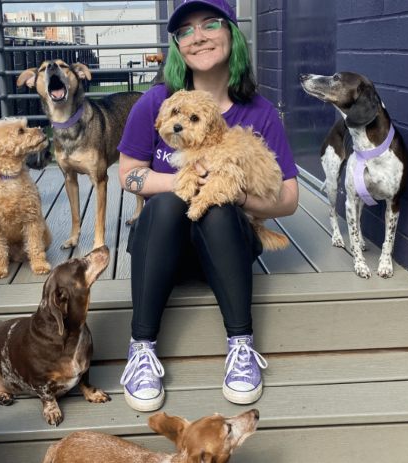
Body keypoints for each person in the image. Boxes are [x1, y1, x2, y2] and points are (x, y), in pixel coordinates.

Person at [117, 0, 299, 412]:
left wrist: (236, 195)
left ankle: (241, 345)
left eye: (210, 24)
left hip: (226, 250)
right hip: (163, 250)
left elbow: (289, 199)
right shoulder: (156, 103)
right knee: (164, 205)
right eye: (185, 31)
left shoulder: (260, 112)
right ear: (178, 47)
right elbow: (127, 173)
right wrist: (181, 183)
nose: (197, 36)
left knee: (218, 209)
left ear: (231, 33)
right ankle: (141, 348)